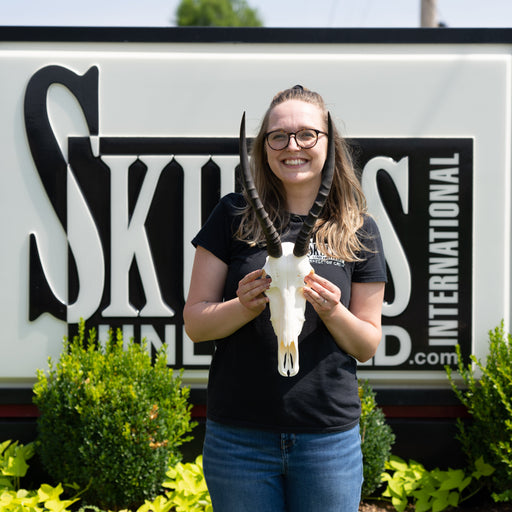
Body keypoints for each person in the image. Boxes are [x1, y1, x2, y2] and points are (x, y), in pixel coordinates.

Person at [183, 85, 387, 512]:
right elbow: (197, 323)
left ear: (328, 144)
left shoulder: (358, 229)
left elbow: (366, 344)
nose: (292, 146)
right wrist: (244, 305)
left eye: (307, 134)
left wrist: (333, 311)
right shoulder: (233, 214)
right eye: (278, 136)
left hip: (327, 438)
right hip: (239, 437)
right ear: (263, 147)